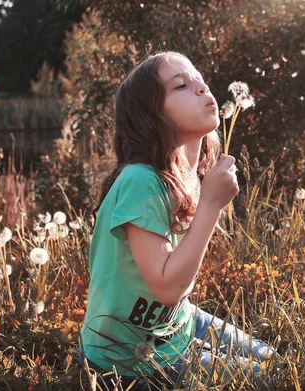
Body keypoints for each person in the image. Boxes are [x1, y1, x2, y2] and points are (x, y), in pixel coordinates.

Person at [78, 51, 275, 390]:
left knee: (273, 360)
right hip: (126, 363)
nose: (201, 87)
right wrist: (211, 206)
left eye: (199, 79)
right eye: (181, 85)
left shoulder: (192, 176)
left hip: (179, 324)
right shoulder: (140, 181)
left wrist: (207, 195)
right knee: (269, 378)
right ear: (151, 116)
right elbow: (168, 287)